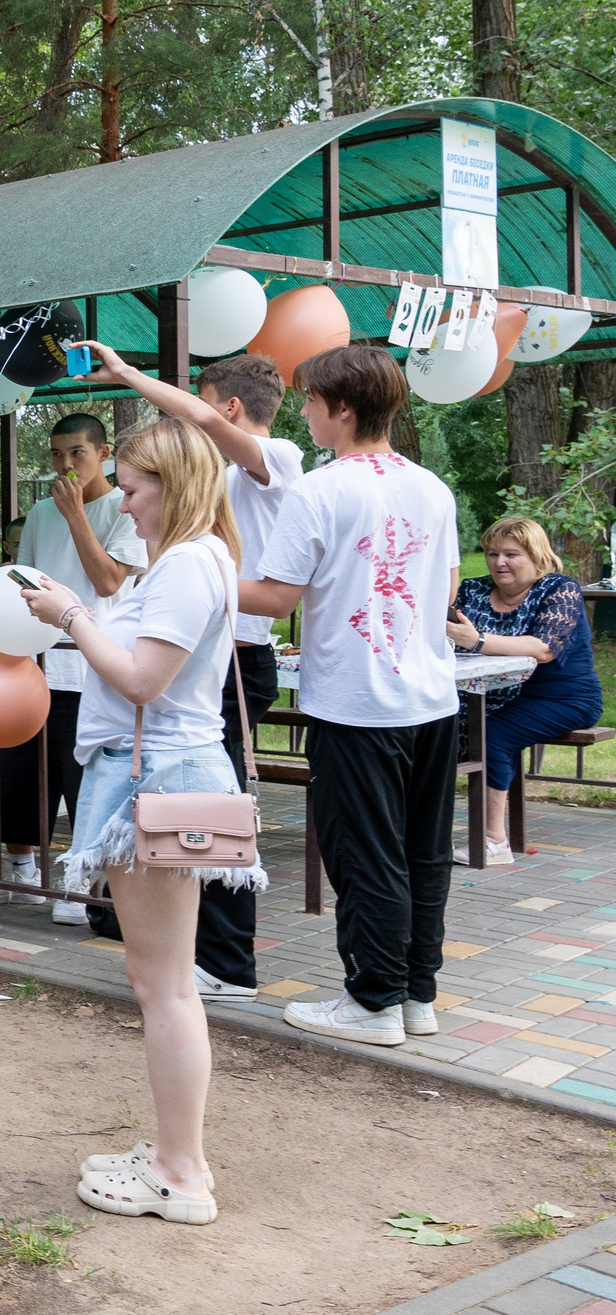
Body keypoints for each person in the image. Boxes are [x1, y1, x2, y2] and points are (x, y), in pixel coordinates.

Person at [16, 417, 254, 1226]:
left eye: (133, 482)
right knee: (161, 981)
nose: (122, 495)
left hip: (153, 777)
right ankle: (173, 1154)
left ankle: (180, 1172)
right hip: (149, 774)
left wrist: (69, 618)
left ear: (174, 483)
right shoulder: (190, 560)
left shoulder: (189, 563)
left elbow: (145, 679)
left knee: (165, 986)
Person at [238, 344, 460, 1048]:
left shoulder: (321, 489)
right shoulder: (432, 487)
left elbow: (274, 600)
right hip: (432, 698)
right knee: (421, 853)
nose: (302, 412)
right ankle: (414, 993)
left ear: (342, 408)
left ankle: (371, 999)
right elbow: (447, 586)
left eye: (309, 401)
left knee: (367, 856)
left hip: (358, 705)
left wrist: (196, 571)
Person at [85, 345, 306, 997]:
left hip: (235, 657)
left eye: (201, 406)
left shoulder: (280, 458)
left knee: (211, 811)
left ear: (230, 408)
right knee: (195, 811)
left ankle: (227, 962)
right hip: (211, 652)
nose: (192, 421)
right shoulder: (211, 498)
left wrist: (128, 376)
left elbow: (203, 428)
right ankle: (185, 948)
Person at [0, 413, 145, 918]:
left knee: (81, 780)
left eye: (78, 453)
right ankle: (18, 873)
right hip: (31, 663)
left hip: (91, 667)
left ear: (103, 454)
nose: (65, 465)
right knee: (18, 773)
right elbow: (20, 583)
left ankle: (84, 887)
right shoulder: (42, 513)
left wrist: (77, 517)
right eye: (56, 455)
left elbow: (110, 582)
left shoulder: (124, 508)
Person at [450, 516, 602, 863]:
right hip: (482, 694)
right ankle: (412, 829)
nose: (499, 562)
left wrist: (478, 641)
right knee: (423, 721)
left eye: (511, 554)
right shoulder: (472, 590)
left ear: (537, 556)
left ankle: (493, 842)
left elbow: (543, 648)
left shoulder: (559, 590)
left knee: (491, 735)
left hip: (561, 698)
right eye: (491, 553)